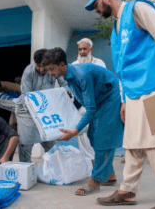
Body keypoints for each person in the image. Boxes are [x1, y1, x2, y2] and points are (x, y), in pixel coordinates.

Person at [85, 0, 155, 208]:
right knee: (133, 145)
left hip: (154, 86)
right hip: (132, 95)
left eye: (95, 4)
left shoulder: (137, 9)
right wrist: (123, 100)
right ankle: (127, 192)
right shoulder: (115, 28)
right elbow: (121, 67)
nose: (95, 9)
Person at [42, 47, 124, 196]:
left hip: (110, 98)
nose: (50, 73)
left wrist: (74, 131)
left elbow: (90, 109)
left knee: (102, 138)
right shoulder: (68, 76)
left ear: (62, 65)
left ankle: (96, 180)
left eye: (52, 69)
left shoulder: (81, 75)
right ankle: (110, 175)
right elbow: (84, 100)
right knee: (93, 136)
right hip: (100, 101)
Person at [15, 48, 68, 163]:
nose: (40, 69)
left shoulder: (53, 70)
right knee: (27, 141)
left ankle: (56, 167)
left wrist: (69, 97)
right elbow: (26, 95)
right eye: (37, 66)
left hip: (45, 109)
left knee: (50, 140)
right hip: (26, 110)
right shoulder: (29, 72)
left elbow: (65, 84)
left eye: (43, 66)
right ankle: (26, 169)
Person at [72, 38, 106, 162]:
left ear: (91, 49)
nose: (82, 52)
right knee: (81, 133)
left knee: (96, 133)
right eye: (80, 49)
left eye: (85, 49)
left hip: (97, 104)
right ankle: (88, 159)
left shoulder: (99, 63)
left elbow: (101, 81)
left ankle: (97, 159)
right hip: (81, 105)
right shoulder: (74, 65)